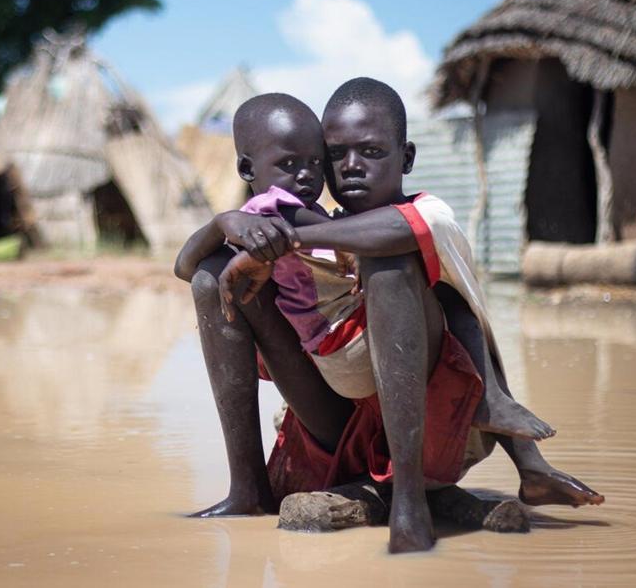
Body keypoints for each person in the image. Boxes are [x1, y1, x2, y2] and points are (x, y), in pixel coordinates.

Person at [177, 86, 603, 554]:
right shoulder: (312, 222)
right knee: (209, 276)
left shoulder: (428, 211)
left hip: (432, 424)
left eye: (373, 152)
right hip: (337, 408)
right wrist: (224, 223)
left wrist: (286, 239)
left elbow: (396, 230)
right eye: (335, 155)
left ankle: (410, 501)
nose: (351, 166)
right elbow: (185, 266)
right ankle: (248, 489)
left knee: (391, 262)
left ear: (406, 157)